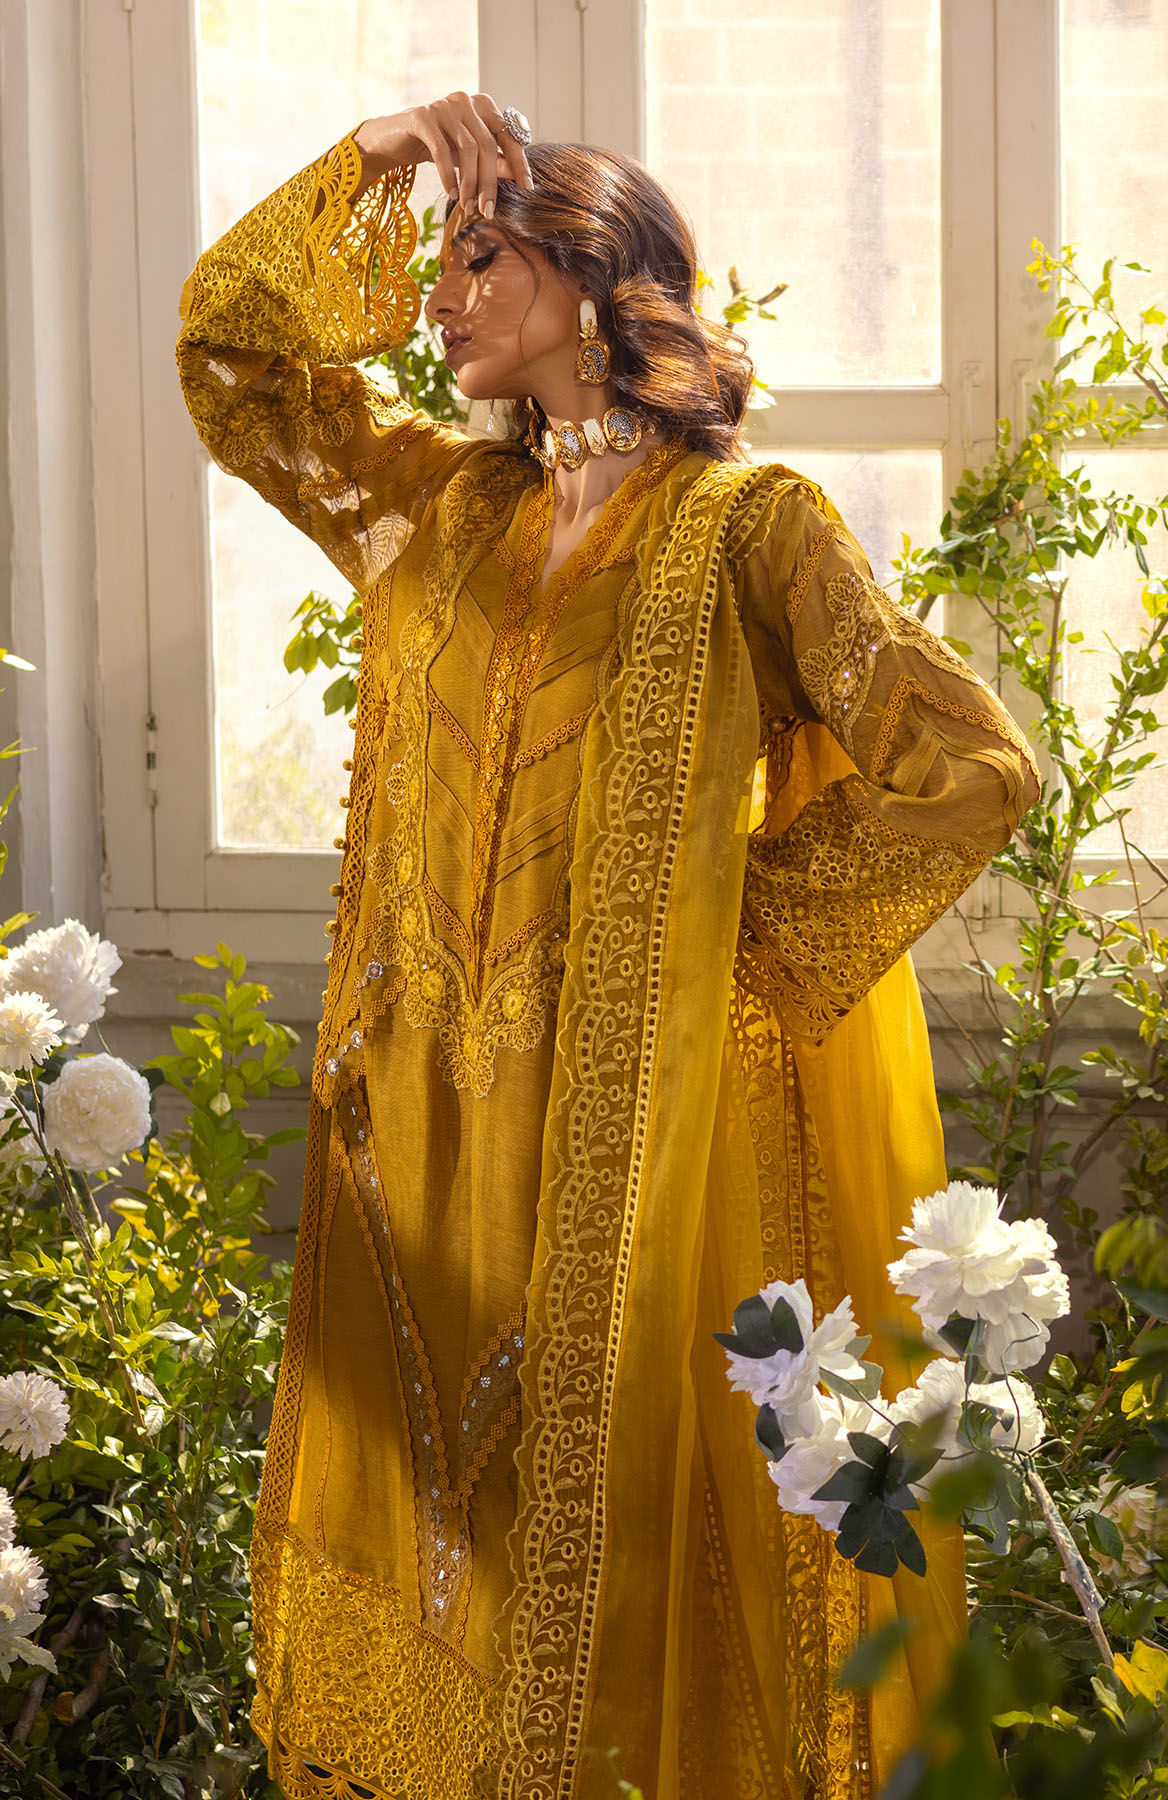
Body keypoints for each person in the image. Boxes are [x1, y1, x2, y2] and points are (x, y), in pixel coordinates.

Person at [176, 90, 1039, 1800]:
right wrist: (382, 153)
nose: (436, 301)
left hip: (629, 1132)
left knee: (617, 1535)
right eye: (438, 265)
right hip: (421, 1124)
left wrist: (723, 949)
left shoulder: (753, 527)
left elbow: (970, 768)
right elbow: (234, 361)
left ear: (593, 279)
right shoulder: (433, 506)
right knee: (446, 1531)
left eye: (477, 263)